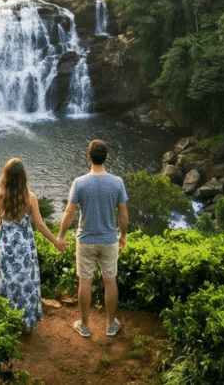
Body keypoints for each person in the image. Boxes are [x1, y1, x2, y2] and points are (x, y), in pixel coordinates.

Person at [58, 139, 128, 338]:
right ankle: (111, 324)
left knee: (85, 282)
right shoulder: (117, 182)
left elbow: (69, 213)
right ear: (106, 157)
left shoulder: (79, 183)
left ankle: (85, 325)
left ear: (88, 158)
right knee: (110, 282)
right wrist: (123, 235)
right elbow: (123, 214)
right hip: (109, 240)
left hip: (86, 240)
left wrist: (61, 236)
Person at [0, 158, 66, 332]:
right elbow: (39, 225)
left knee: (7, 283)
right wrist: (56, 241)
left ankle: (7, 322)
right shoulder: (30, 197)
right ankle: (26, 324)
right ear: (23, 177)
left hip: (6, 246)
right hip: (25, 249)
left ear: (5, 175)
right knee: (26, 284)